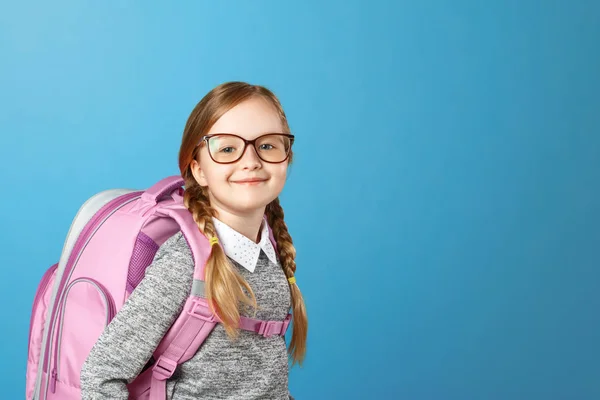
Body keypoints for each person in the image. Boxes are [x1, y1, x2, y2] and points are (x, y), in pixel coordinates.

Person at [80, 81, 308, 399]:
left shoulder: (272, 253)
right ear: (199, 170)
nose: (251, 161)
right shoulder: (183, 261)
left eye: (268, 145)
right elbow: (101, 375)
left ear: (287, 157)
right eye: (227, 148)